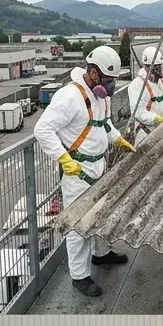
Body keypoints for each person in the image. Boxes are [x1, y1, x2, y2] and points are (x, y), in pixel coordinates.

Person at [34, 45, 137, 298]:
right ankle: (79, 276)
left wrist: (117, 139)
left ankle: (100, 254)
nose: (111, 86)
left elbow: (103, 124)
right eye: (108, 80)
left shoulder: (99, 96)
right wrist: (64, 159)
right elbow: (42, 129)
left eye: (114, 80)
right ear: (92, 73)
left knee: (99, 214)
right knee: (78, 225)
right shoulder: (69, 96)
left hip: (97, 165)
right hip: (77, 171)